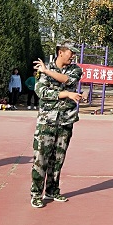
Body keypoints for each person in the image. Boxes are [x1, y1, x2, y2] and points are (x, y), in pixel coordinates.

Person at [30, 43, 83, 208]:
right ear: (61, 52)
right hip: (47, 121)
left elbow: (68, 80)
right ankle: (36, 194)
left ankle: (52, 190)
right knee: (41, 158)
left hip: (66, 121)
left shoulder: (75, 69)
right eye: (70, 52)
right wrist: (65, 94)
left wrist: (48, 72)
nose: (73, 56)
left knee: (58, 159)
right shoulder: (44, 69)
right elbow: (41, 92)